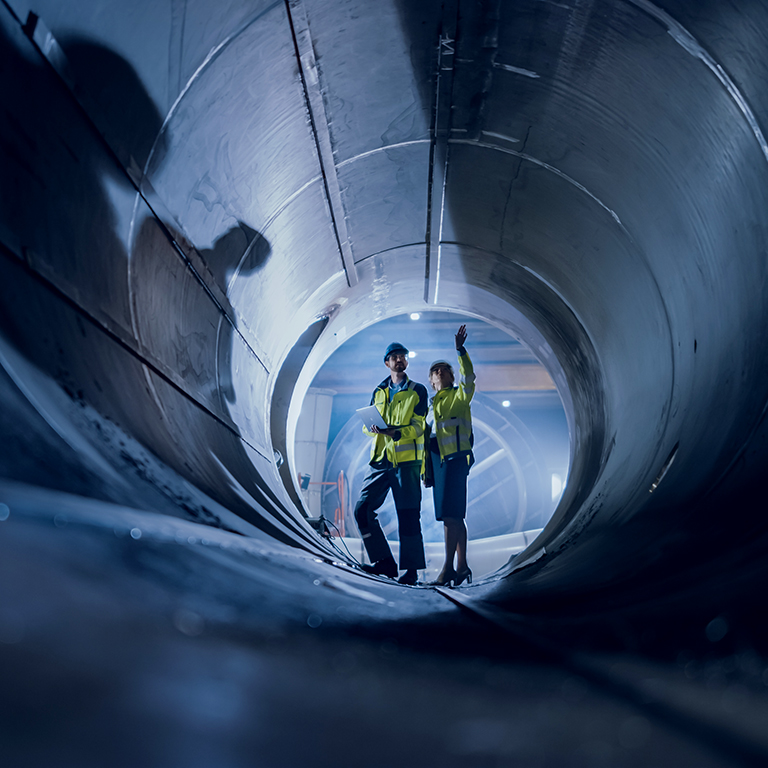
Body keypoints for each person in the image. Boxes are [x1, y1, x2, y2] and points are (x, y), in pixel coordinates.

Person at [354, 342, 429, 585]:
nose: (399, 360)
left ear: (406, 362)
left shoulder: (418, 391)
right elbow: (367, 428)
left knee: (408, 516)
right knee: (362, 510)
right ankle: (384, 562)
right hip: (380, 460)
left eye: (403, 357)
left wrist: (395, 433)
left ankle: (412, 571)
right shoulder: (378, 391)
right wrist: (373, 428)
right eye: (395, 357)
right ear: (387, 363)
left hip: (406, 463)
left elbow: (419, 427)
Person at [425, 324, 475, 586]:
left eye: (445, 369)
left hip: (455, 461)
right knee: (455, 515)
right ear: (431, 381)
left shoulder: (460, 396)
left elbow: (469, 378)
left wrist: (460, 351)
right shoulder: (430, 407)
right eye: (435, 371)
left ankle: (447, 570)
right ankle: (462, 566)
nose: (440, 372)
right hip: (439, 463)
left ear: (452, 377)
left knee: (449, 516)